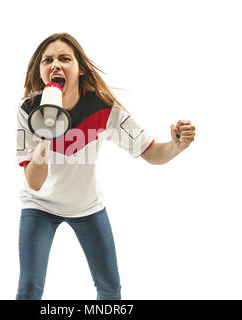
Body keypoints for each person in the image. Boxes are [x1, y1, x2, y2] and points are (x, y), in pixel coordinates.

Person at [15, 33, 196, 300]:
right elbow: (34, 182)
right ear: (40, 71)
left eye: (65, 58)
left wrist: (176, 145)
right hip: (39, 206)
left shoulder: (103, 108)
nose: (55, 64)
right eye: (47, 60)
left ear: (80, 68)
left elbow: (152, 153)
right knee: (30, 288)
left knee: (110, 288)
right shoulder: (28, 110)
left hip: (87, 206)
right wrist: (46, 129)